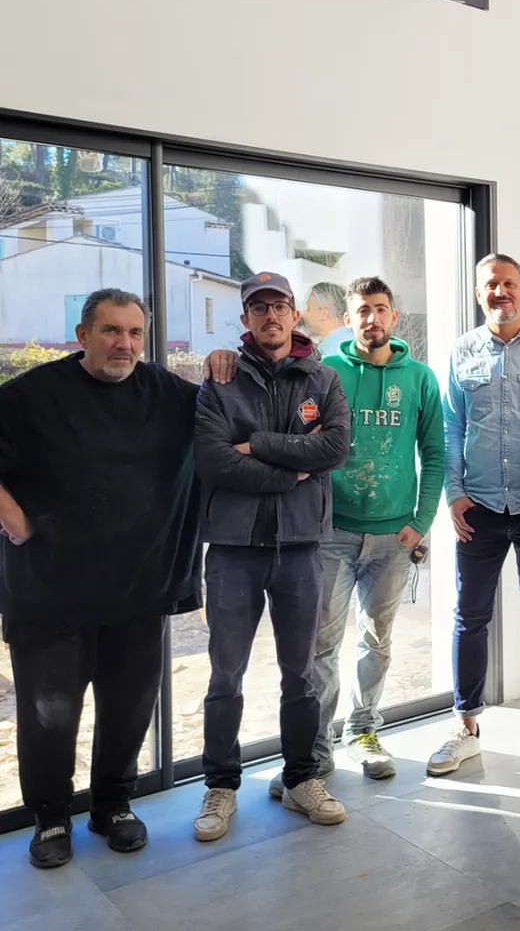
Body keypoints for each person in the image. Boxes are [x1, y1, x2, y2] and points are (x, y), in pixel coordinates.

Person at [0, 288, 203, 868]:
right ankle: (50, 818)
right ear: (82, 335)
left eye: (135, 333)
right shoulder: (30, 396)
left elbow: (229, 411)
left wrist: (225, 364)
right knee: (49, 716)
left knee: (129, 706)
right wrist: (13, 519)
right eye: (112, 331)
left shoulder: (166, 392)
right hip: (49, 590)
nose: (125, 344)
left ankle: (112, 805)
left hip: (138, 590)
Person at [266, 276, 444, 793]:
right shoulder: (327, 372)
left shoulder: (419, 378)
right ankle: (317, 748)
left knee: (378, 640)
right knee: (320, 645)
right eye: (362, 310)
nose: (372, 319)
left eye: (381, 309)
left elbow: (435, 452)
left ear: (394, 318)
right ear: (349, 319)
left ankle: (365, 730)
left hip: (394, 537)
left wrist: (420, 520)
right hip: (332, 532)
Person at [191, 271, 351, 842]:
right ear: (246, 320)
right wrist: (294, 471)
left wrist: (256, 443)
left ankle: (302, 778)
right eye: (259, 308)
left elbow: (333, 446)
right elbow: (212, 461)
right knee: (224, 675)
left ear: (295, 315)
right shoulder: (220, 382)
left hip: (302, 547)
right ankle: (220, 786)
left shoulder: (325, 380)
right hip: (233, 550)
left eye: (280, 305)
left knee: (300, 674)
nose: (271, 316)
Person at [427, 254, 520, 775]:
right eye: (491, 285)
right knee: (469, 616)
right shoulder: (462, 350)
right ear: (478, 292)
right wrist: (454, 492)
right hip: (481, 506)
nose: (500, 292)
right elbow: (451, 426)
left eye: (509, 284)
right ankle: (466, 724)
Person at [304, 281, 353, 357]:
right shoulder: (354, 340)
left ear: (323, 314)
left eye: (308, 309)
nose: (304, 314)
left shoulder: (330, 351)